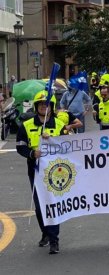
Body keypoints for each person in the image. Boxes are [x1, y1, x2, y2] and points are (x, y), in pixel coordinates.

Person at [16, 90, 66, 254]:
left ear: (52, 107)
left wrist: (54, 142)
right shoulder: (27, 125)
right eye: (41, 104)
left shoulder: (59, 125)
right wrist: (32, 153)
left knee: (51, 204)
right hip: (35, 171)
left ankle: (54, 240)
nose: (44, 107)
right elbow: (20, 146)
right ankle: (45, 232)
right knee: (39, 207)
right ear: (37, 106)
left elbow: (70, 146)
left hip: (57, 173)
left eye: (47, 104)